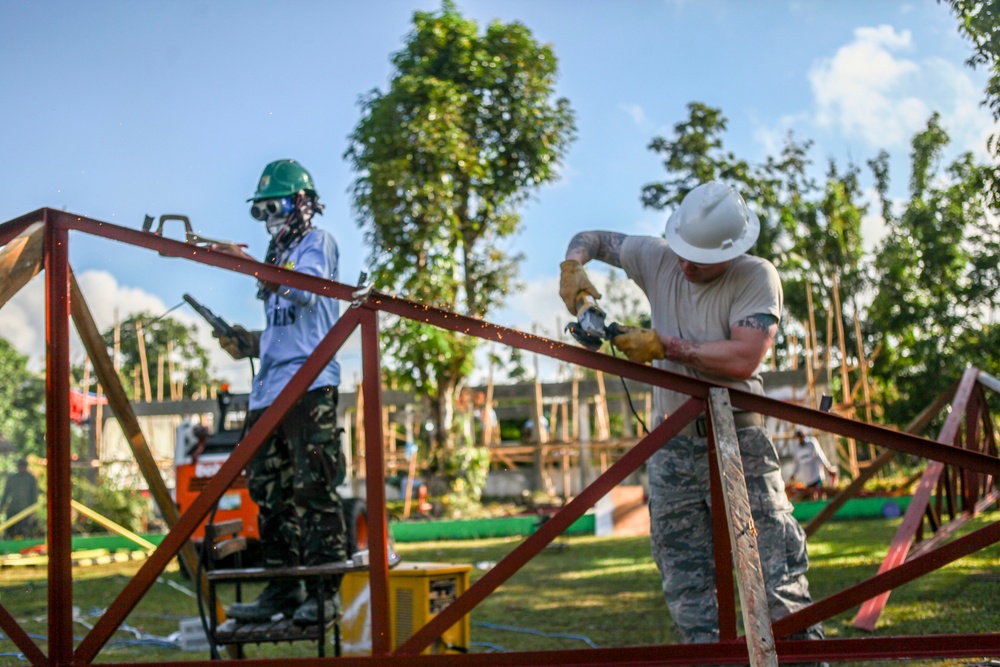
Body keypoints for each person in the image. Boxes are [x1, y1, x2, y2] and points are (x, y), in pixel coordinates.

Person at [559, 181, 824, 645]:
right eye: (682, 252)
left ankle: (802, 657)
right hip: (674, 444)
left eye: (700, 260)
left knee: (774, 571)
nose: (685, 265)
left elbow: (744, 358)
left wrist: (665, 346)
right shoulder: (658, 257)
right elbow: (594, 239)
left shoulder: (756, 276)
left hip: (738, 440)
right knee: (687, 580)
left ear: (732, 251)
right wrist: (573, 268)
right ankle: (708, 657)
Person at [213, 159, 346, 626]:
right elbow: (284, 328)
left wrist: (245, 264)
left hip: (310, 383)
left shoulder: (317, 243)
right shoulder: (274, 257)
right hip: (269, 389)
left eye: (277, 204)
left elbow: (306, 293)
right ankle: (285, 589)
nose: (271, 214)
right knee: (270, 494)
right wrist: (249, 341)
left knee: (314, 488)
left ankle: (324, 592)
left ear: (303, 203)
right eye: (263, 208)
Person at [790, 429, 838, 500]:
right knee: (812, 496)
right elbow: (797, 464)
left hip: (816, 475)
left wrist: (827, 467)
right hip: (807, 478)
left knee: (821, 494)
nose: (800, 439)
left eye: (801, 437)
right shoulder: (797, 448)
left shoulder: (811, 443)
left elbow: (820, 456)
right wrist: (793, 475)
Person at [1, 458, 39, 539]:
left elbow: (34, 495)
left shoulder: (30, 479)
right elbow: (6, 494)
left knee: (25, 530)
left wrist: (33, 510)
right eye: (20, 466)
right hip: (13, 509)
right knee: (10, 530)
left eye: (23, 466)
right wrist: (2, 507)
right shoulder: (12, 478)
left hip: (25, 510)